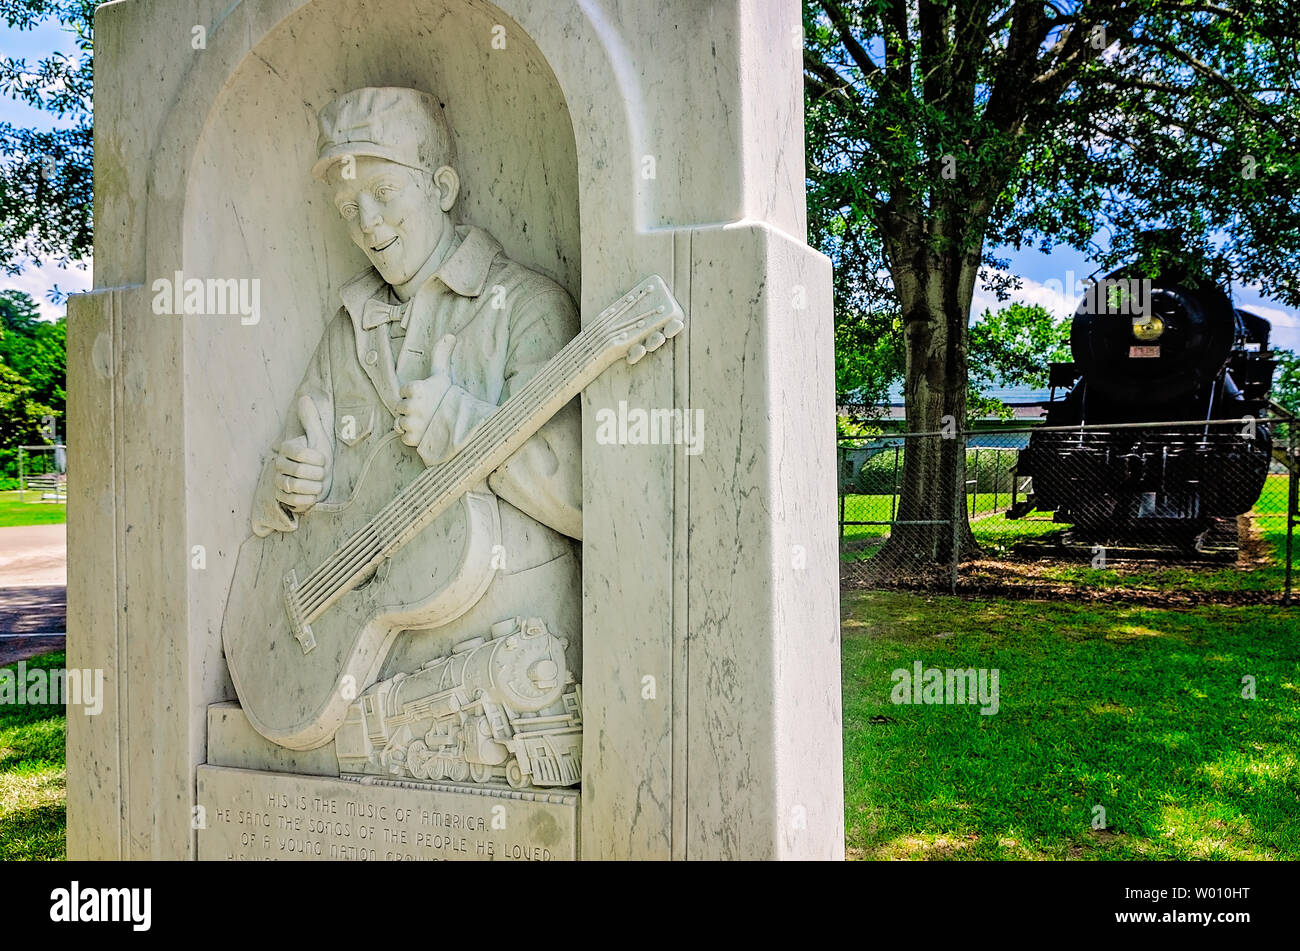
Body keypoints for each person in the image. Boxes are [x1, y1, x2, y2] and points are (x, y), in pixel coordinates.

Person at [248, 86, 582, 684]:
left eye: (382, 194)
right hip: (368, 663)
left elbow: (580, 495)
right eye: (348, 207)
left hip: (506, 662)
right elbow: (284, 501)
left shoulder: (527, 307)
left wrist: (459, 423)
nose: (367, 223)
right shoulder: (345, 330)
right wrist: (292, 490)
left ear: (442, 189)